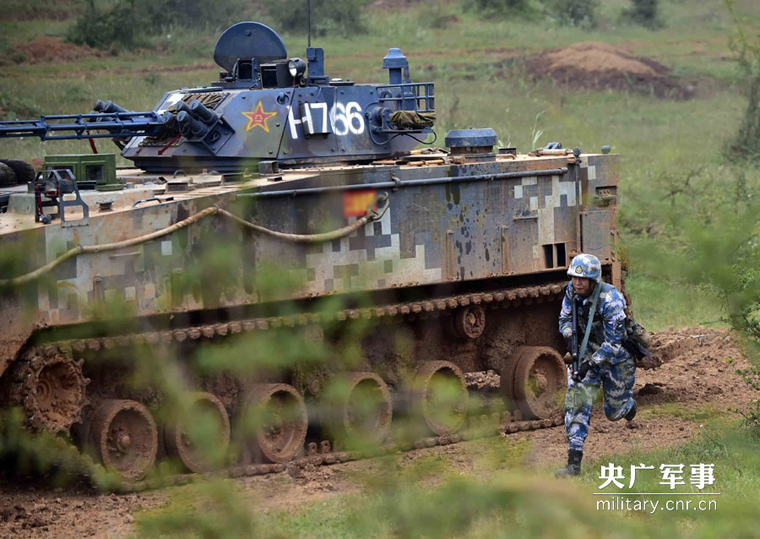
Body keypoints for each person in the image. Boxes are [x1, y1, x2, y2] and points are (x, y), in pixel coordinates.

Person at [555, 253, 638, 477]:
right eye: (574, 277)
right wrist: (571, 337)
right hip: (586, 353)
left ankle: (628, 407)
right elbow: (564, 319)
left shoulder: (611, 299)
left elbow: (612, 343)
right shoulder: (570, 292)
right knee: (576, 403)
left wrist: (588, 364)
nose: (578, 282)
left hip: (617, 359)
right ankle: (574, 464)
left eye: (583, 279)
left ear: (594, 280)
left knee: (614, 413)